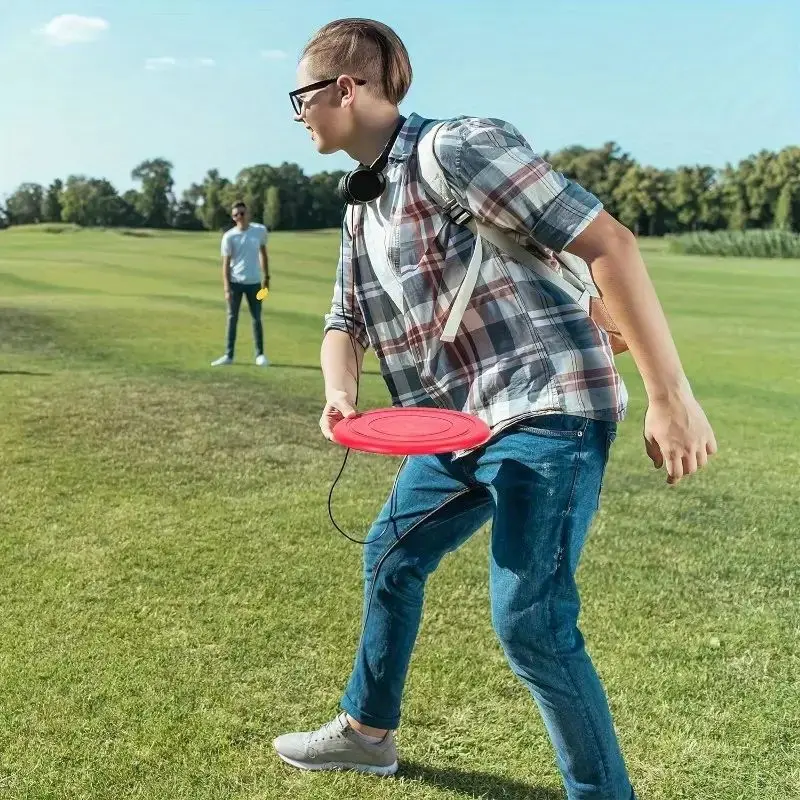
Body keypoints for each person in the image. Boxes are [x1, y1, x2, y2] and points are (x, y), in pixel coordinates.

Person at [273, 18, 717, 800]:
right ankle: (368, 736)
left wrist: (670, 397)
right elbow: (344, 323)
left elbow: (610, 241)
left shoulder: (457, 148)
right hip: (457, 425)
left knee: (532, 623)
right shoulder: (360, 205)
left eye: (302, 96)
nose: (299, 112)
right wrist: (340, 391)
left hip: (546, 403)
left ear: (347, 88)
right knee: (391, 553)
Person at [211, 201, 270, 367]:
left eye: (242, 213)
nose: (240, 217)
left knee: (257, 317)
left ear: (248, 214)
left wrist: (267, 278)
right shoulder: (229, 236)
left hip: (255, 283)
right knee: (232, 318)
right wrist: (226, 288)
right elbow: (225, 263)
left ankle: (260, 355)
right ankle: (228, 355)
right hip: (235, 283)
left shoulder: (259, 231)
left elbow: (263, 254)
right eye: (236, 215)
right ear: (233, 217)